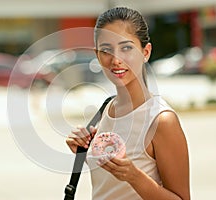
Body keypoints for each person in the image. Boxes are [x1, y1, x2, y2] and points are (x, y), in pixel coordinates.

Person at [66, 7, 190, 200]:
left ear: (145, 52)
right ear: (97, 55)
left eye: (126, 48)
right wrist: (82, 149)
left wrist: (134, 176)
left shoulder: (161, 120)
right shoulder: (104, 111)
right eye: (106, 50)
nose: (116, 60)